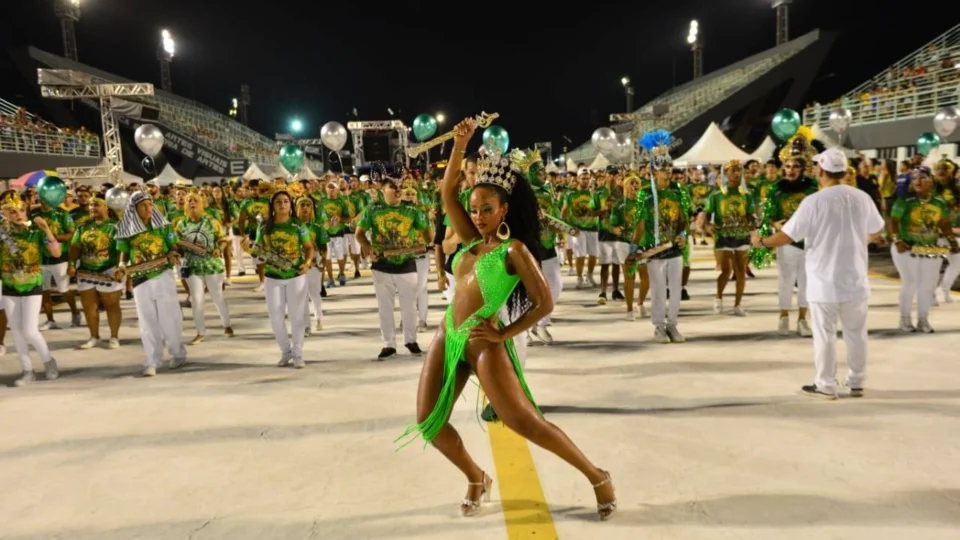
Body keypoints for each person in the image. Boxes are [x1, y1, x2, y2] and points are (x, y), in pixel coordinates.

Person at [397, 118, 616, 520]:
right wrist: (460, 144)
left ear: (504, 210)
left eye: (487, 210)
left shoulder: (513, 249)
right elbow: (447, 193)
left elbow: (543, 302)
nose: (478, 216)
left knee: (525, 423)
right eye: (475, 209)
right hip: (449, 336)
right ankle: (476, 477)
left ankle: (597, 475)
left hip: (484, 344)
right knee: (429, 422)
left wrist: (503, 334)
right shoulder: (469, 240)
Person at [751, 149, 885, 399]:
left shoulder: (814, 201)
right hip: (855, 280)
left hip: (824, 282)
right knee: (857, 334)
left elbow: (787, 236)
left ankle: (826, 384)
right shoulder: (861, 197)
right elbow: (877, 229)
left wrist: (761, 243)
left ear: (821, 171)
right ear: (844, 171)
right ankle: (856, 382)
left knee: (825, 336)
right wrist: (858, 242)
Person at [355, 177, 431, 360]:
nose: (398, 190)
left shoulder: (413, 209)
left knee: (409, 307)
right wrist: (369, 247)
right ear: (383, 189)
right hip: (382, 266)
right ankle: (388, 344)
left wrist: (422, 244)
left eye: (400, 187)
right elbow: (359, 234)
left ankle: (411, 340)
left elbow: (428, 233)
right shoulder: (373, 209)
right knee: (385, 307)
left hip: (406, 264)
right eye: (393, 187)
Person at [115, 191, 187, 377]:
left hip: (163, 275)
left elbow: (173, 246)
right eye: (143, 206)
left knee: (169, 317)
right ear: (134, 209)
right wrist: (122, 266)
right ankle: (152, 359)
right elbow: (124, 252)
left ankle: (177, 353)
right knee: (147, 320)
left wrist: (173, 254)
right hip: (140, 279)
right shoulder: (126, 228)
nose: (148, 209)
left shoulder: (163, 225)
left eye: (150, 205)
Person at [242, 190, 314, 367]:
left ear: (290, 205)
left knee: (297, 317)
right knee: (275, 317)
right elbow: (259, 249)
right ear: (272, 206)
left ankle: (298, 353)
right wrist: (248, 249)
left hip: (295, 275)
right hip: (272, 276)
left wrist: (307, 263)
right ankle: (285, 351)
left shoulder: (298, 226)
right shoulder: (264, 227)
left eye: (286, 202)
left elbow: (309, 247)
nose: (282, 205)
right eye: (278, 202)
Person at [0, 191, 61, 386]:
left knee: (30, 330)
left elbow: (56, 252)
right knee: (16, 331)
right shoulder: (2, 235)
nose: (18, 214)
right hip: (10, 287)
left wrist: (47, 230)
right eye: (12, 212)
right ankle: (27, 371)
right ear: (5, 214)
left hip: (33, 287)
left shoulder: (35, 233)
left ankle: (48, 361)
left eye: (21, 210)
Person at [888, 166, 959, 332]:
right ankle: (904, 320)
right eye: (914, 178)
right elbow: (893, 222)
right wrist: (897, 240)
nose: (917, 181)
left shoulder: (939, 202)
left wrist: (952, 242)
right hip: (906, 246)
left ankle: (923, 320)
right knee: (910, 283)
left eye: (922, 178)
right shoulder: (904, 200)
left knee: (928, 285)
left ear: (931, 181)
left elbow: (944, 224)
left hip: (930, 248)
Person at [67, 195, 123, 349]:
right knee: (89, 307)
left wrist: (120, 267)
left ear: (106, 207)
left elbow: (121, 249)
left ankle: (114, 337)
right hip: (86, 271)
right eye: (91, 205)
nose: (92, 208)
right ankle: (94, 336)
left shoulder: (115, 226)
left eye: (96, 205)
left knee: (112, 306)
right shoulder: (82, 227)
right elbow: (75, 246)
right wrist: (71, 264)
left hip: (109, 270)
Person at [701, 160, 756, 316]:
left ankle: (737, 305)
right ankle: (718, 297)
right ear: (726, 173)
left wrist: (754, 224)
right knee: (726, 271)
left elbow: (751, 215)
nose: (736, 173)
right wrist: (708, 227)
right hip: (723, 237)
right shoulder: (717, 195)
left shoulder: (747, 195)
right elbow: (707, 213)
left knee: (740, 271)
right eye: (732, 170)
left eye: (739, 170)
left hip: (741, 236)